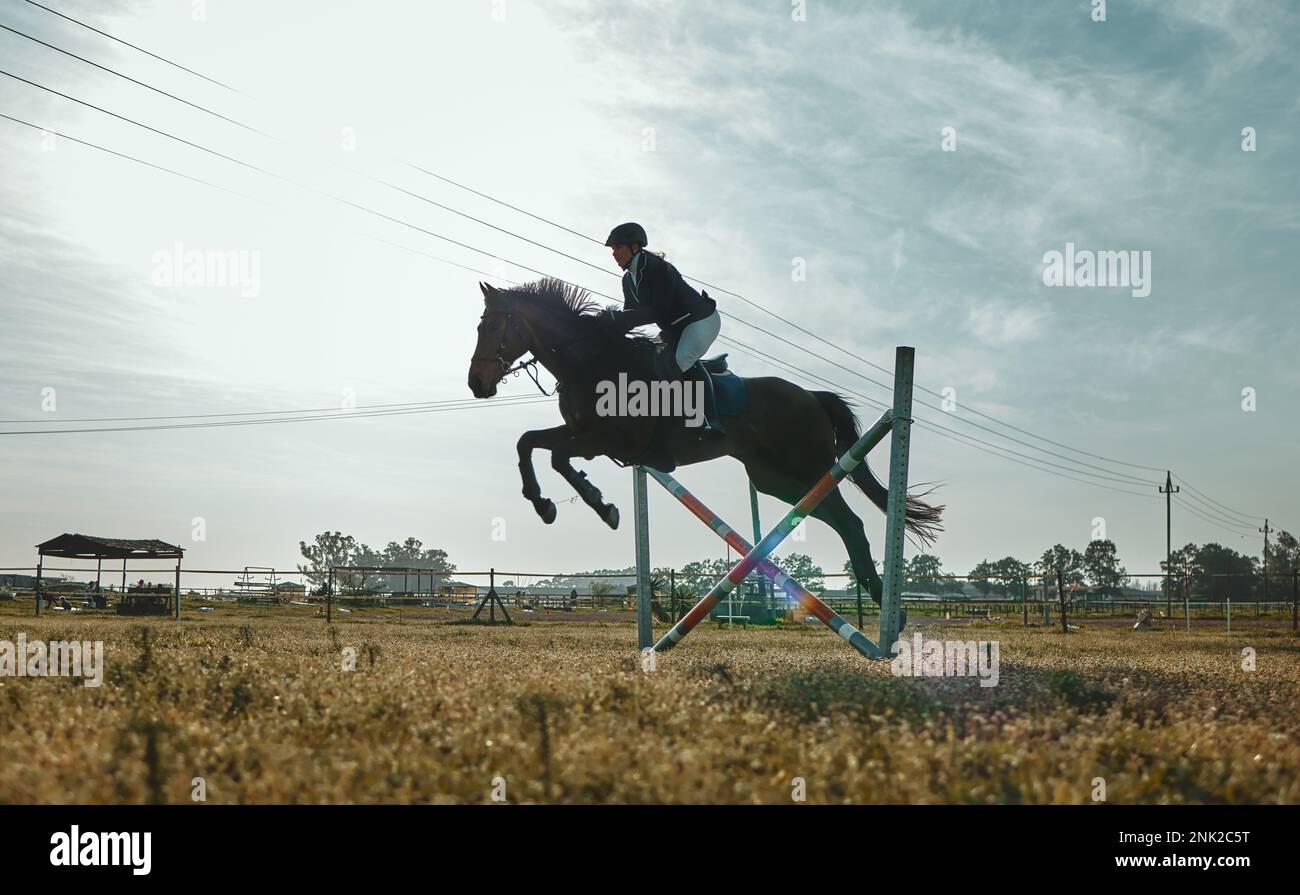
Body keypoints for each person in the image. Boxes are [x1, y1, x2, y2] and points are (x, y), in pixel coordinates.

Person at [601, 223, 721, 380]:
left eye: (618, 247)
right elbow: (630, 316)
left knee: (678, 363)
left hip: (700, 321)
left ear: (635, 247)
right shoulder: (628, 280)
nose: (614, 254)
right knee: (649, 365)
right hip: (675, 331)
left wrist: (617, 317)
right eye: (612, 250)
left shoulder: (657, 268)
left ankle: (707, 405)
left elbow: (658, 312)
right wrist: (605, 330)